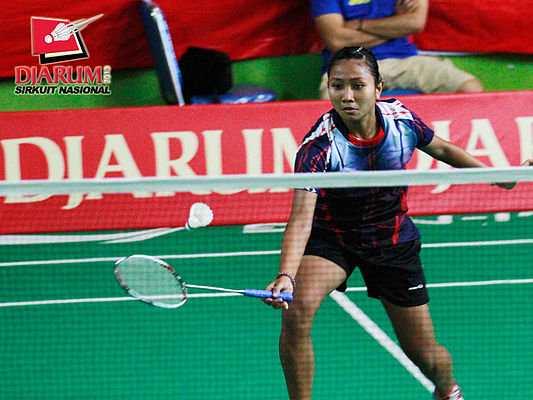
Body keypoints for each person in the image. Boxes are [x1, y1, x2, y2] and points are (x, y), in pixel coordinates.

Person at [263, 46, 532, 400]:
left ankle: (446, 388)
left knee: (426, 356)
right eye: (337, 86)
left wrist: (501, 177)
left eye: (357, 85)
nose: (346, 96)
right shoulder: (318, 147)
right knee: (296, 313)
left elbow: (444, 149)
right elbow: (300, 219)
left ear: (378, 87)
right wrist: (286, 274)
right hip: (335, 239)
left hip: (391, 240)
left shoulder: (400, 120)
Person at [311, 0, 484, 99]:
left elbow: (415, 23)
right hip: (350, 65)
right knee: (335, 99)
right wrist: (396, 25)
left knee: (470, 88)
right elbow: (337, 40)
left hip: (405, 60)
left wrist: (359, 25)